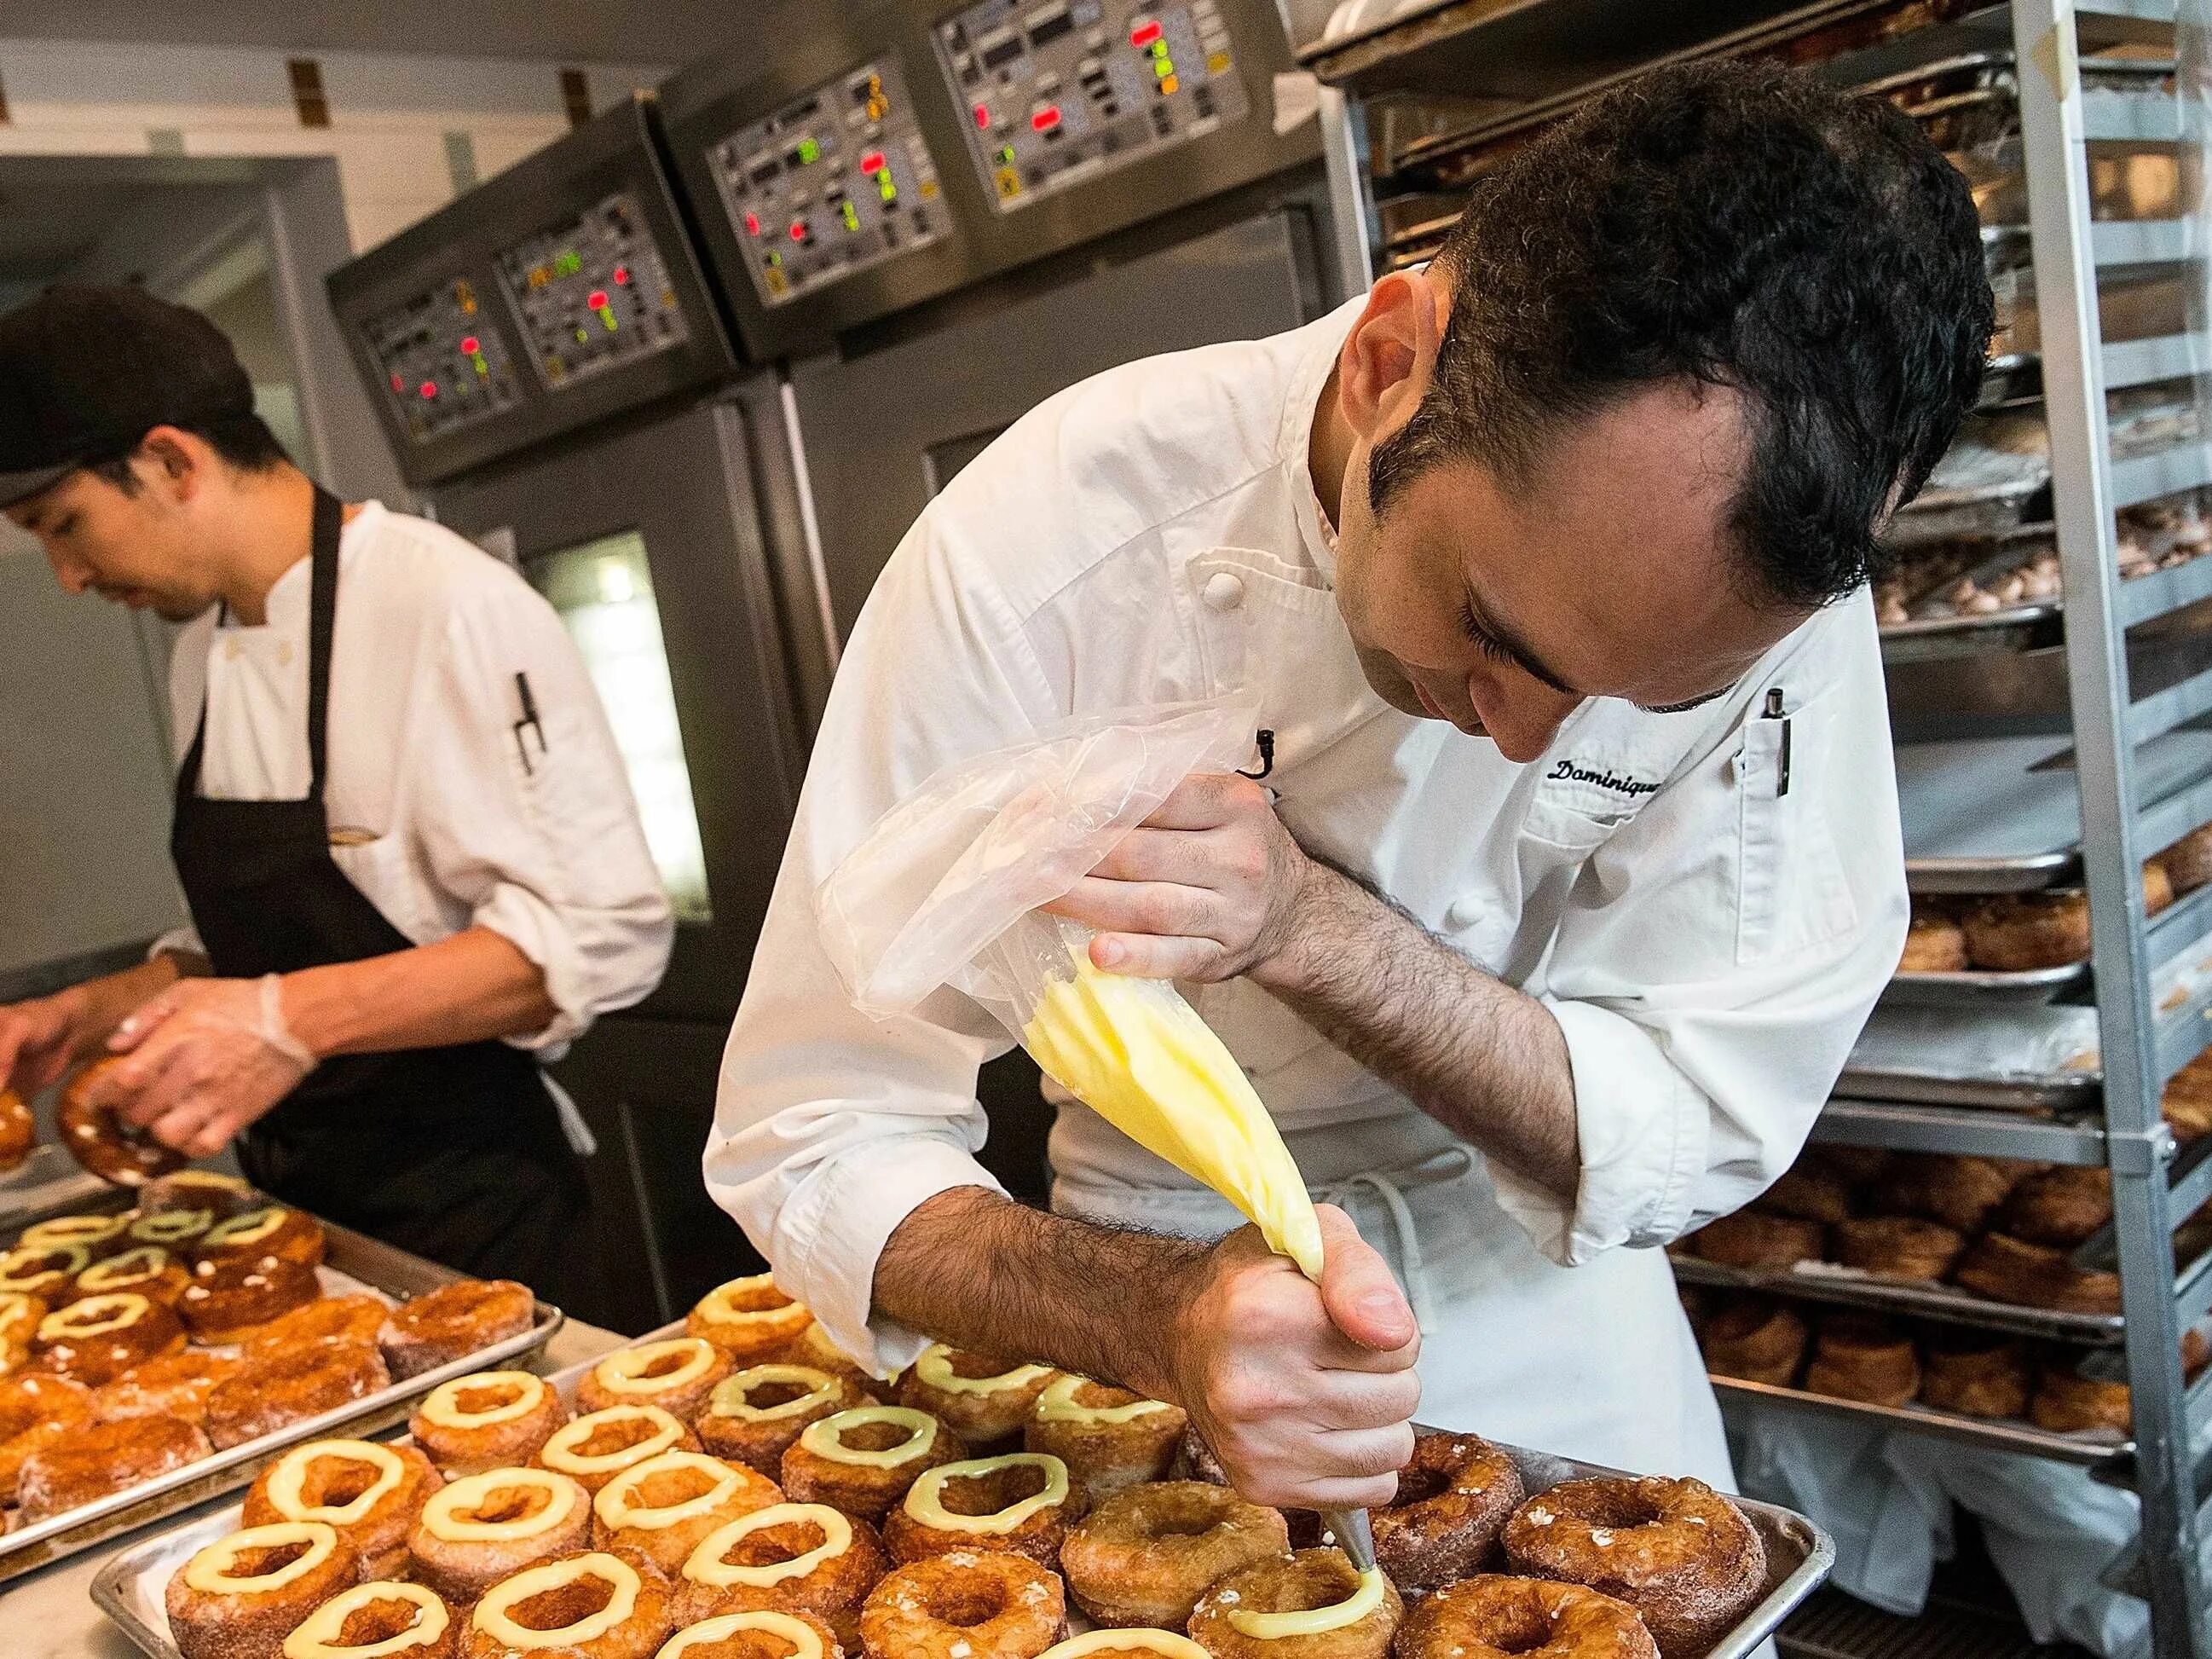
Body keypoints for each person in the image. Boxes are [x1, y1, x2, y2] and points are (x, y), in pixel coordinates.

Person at [710, 60, 1991, 1506]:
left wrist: (1311, 930)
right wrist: (1151, 1313)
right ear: (1390, 365)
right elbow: (815, 1128)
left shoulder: (1772, 607)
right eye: (1497, 638)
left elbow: (1690, 1117)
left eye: (1633, 706)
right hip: (1153, 1271)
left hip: (1546, 1295)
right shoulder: (1047, 548)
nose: (1521, 740)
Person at [0, 285, 673, 1309]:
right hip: (303, 1213)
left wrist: (284, 1018)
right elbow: (275, 932)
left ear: (173, 461)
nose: (66, 576)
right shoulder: (204, 654)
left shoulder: (445, 607)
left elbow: (597, 935)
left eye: (65, 525)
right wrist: (85, 1013)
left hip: (479, 1213)